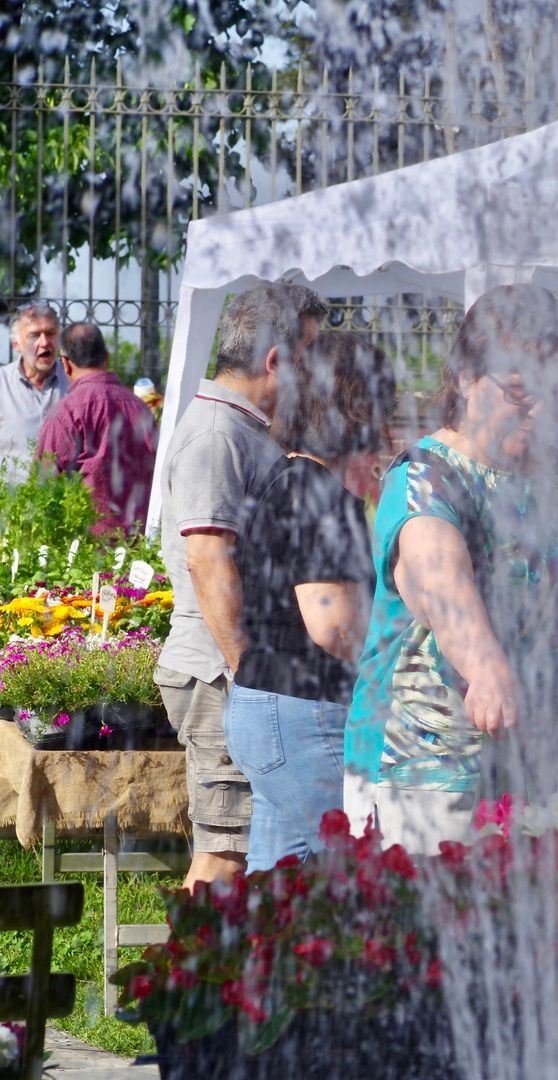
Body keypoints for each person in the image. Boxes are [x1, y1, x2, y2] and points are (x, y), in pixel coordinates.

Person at [344, 285, 558, 852]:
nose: (539, 408)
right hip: (422, 774)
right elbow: (439, 579)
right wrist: (488, 666)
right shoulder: (422, 477)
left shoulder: (545, 485)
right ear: (468, 378)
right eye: (520, 389)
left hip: (521, 763)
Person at [156, 280, 326, 889]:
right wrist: (248, 672)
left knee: (256, 849)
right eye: (305, 356)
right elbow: (208, 560)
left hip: (236, 674)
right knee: (224, 856)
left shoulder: (243, 430)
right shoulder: (216, 436)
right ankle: (184, 983)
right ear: (275, 359)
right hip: (217, 671)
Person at [222, 335, 392, 872]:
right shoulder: (319, 495)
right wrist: (395, 670)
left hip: (262, 703)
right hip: (301, 711)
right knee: (358, 874)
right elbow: (333, 625)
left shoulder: (283, 479)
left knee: (279, 894)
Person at [37, 322, 159, 533]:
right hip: (141, 552)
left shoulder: (66, 413)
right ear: (107, 357)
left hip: (88, 556)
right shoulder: (141, 408)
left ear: (65, 364)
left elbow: (44, 489)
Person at [1, 303, 68, 478]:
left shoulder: (75, 383)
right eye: (34, 335)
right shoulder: (2, 385)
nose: (44, 342)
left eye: (50, 333)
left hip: (66, 500)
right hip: (11, 501)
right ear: (16, 344)